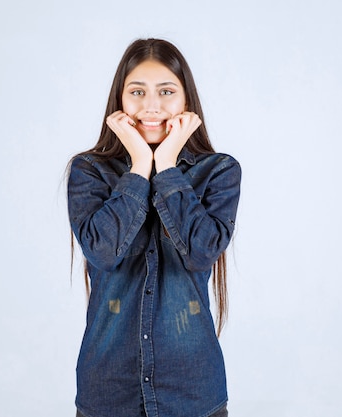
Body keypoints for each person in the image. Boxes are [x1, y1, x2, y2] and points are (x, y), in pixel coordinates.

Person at [67, 38, 241, 417]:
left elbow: (201, 252)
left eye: (166, 91)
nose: (151, 106)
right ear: (120, 100)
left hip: (193, 393)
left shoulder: (220, 171)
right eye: (137, 92)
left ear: (186, 101)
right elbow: (102, 251)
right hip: (109, 393)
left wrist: (166, 168)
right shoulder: (88, 171)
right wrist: (137, 168)